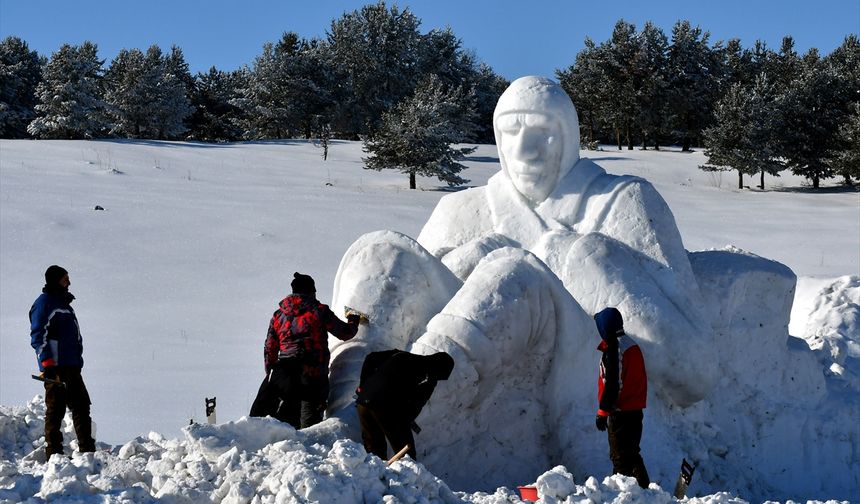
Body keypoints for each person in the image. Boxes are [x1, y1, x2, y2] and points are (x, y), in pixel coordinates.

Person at [250, 272, 360, 429]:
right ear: (312, 291)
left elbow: (269, 348)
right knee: (310, 424)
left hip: (285, 374)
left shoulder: (278, 315)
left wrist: (272, 374)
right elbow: (345, 333)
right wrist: (353, 320)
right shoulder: (318, 310)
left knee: (286, 422)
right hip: (312, 374)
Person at [29, 265, 96, 458]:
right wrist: (47, 363)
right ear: (55, 280)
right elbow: (38, 335)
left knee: (82, 406)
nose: (69, 282)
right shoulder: (44, 303)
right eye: (65, 278)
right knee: (55, 409)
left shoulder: (65, 305)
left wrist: (78, 358)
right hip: (55, 367)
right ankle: (54, 453)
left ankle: (87, 451)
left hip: (72, 366)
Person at [355, 349, 454, 461]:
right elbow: (416, 404)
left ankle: (374, 476)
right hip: (384, 406)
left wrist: (363, 385)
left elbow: (371, 357)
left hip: (363, 402)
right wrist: (406, 422)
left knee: (374, 451)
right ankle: (408, 475)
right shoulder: (428, 378)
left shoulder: (399, 354)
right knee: (406, 454)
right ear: (437, 368)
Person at [594, 306, 650, 489]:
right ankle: (646, 495)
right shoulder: (631, 344)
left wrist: (603, 411)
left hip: (621, 413)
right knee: (632, 454)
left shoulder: (615, 348)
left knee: (619, 459)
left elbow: (612, 383)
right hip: (635, 411)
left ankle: (621, 496)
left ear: (605, 328)